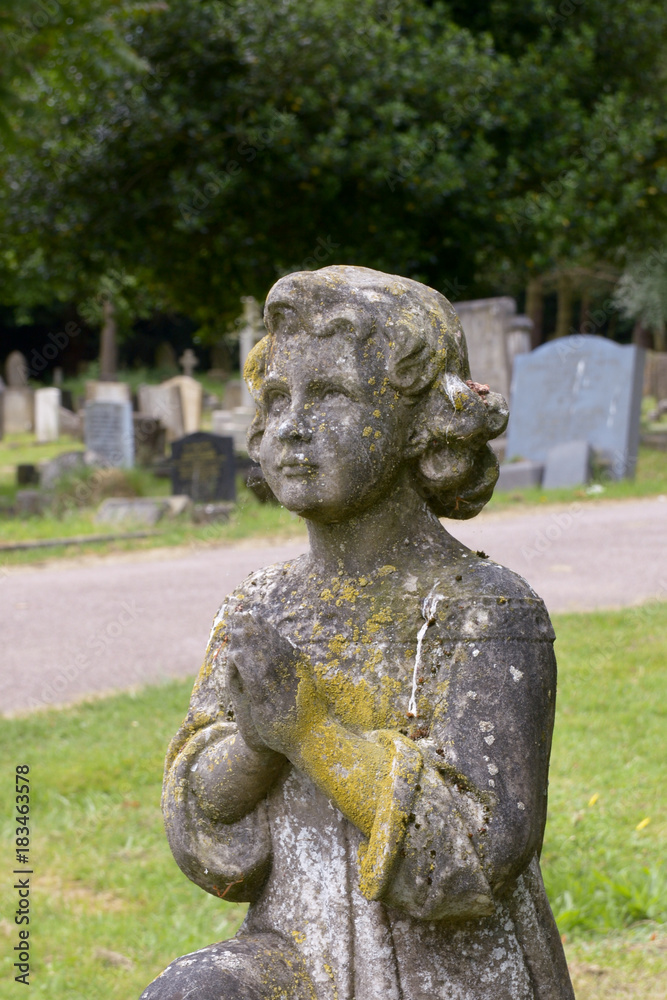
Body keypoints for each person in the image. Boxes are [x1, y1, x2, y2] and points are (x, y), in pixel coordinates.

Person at [141, 265, 575, 1000]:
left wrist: (312, 732)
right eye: (277, 399)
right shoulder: (261, 603)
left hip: (449, 975)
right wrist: (257, 740)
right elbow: (200, 816)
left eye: (331, 395)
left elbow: (472, 858)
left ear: (424, 426)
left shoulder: (488, 615)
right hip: (294, 946)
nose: (292, 426)